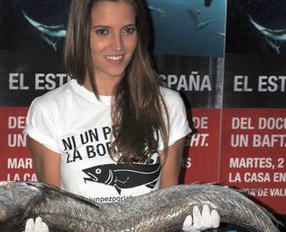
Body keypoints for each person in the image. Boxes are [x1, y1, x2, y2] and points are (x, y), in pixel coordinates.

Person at [22, 0, 218, 231]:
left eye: (128, 30)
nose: (118, 45)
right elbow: (52, 211)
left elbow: (168, 200)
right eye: (103, 31)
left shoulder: (168, 104)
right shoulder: (49, 109)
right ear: (81, 34)